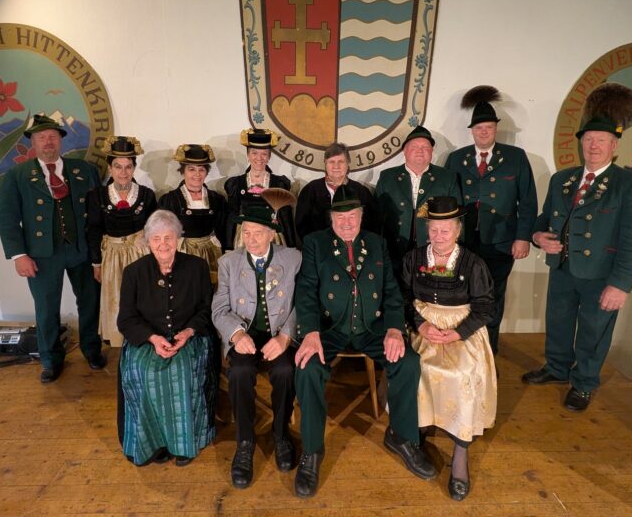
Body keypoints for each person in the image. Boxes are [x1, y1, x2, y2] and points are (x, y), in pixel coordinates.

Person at [292, 184, 434, 498]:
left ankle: (402, 436)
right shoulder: (315, 243)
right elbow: (306, 291)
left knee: (408, 362)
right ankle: (312, 451)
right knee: (307, 369)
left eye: (352, 216)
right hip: (329, 329)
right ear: (331, 217)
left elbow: (392, 291)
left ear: (361, 215)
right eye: (340, 217)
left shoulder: (376, 242)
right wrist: (310, 332)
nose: (347, 223)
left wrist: (394, 329)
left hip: (372, 328)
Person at [523, 83, 632, 412]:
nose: (594, 146)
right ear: (581, 142)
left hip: (601, 275)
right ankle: (556, 368)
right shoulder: (562, 179)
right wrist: (538, 237)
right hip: (562, 268)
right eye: (589, 139)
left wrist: (621, 285)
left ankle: (583, 383)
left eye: (601, 140)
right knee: (558, 322)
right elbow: (544, 219)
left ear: (614, 145)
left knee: (593, 332)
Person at [401, 196, 497, 501]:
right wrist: (420, 324)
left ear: (458, 230)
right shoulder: (413, 259)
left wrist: (458, 333)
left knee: (462, 374)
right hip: (423, 325)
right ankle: (417, 427)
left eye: (445, 230)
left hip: (461, 328)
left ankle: (460, 452)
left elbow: (486, 307)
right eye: (434, 230)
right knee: (415, 367)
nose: (439, 236)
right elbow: (402, 298)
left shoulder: (473, 264)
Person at [0, 114, 104, 383]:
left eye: (53, 137)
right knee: (46, 309)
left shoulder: (84, 170)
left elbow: (98, 213)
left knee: (90, 303)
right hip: (41, 254)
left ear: (61, 141)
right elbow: (8, 218)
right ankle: (50, 360)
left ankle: (92, 350)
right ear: (33, 142)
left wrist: (99, 253)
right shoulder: (17, 175)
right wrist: (19, 255)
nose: (48, 142)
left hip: (82, 250)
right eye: (42, 137)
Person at [212, 205, 302, 488]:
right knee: (239, 373)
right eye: (246, 232)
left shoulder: (293, 258)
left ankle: (281, 434)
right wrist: (237, 334)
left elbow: (304, 303)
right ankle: (245, 441)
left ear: (272, 234)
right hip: (245, 335)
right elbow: (219, 308)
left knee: (286, 370)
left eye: (258, 233)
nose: (251, 239)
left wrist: (285, 336)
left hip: (279, 334)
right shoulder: (229, 262)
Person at [117, 209, 216, 466]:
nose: (163, 244)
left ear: (178, 239)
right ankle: (155, 443)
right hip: (148, 339)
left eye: (168, 238)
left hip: (189, 337)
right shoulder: (133, 272)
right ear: (148, 242)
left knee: (181, 370)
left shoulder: (197, 267)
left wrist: (188, 332)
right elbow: (126, 320)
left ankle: (185, 443)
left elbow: (206, 310)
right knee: (146, 371)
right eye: (157, 238)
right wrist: (152, 338)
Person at [444, 86, 537, 355]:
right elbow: (448, 201)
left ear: (496, 129)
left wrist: (522, 237)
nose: (484, 132)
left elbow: (528, 201)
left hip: (500, 242)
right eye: (479, 128)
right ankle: (464, 352)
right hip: (464, 242)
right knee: (462, 295)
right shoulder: (457, 159)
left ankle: (488, 354)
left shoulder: (515, 158)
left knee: (492, 298)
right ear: (471, 131)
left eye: (489, 127)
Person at [86, 136, 157, 348]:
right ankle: (120, 342)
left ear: (134, 168)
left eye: (128, 166)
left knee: (142, 298)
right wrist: (96, 263)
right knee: (116, 299)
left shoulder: (147, 195)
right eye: (118, 166)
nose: (123, 172)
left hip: (140, 253)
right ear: (110, 168)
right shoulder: (97, 196)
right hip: (112, 255)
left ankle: (144, 341)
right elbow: (93, 230)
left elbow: (154, 227)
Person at [375, 126, 461, 277]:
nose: (420, 151)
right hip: (394, 250)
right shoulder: (387, 177)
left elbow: (457, 217)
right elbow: (377, 217)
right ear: (404, 151)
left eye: (425, 147)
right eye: (414, 147)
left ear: (432, 151)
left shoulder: (447, 178)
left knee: (429, 288)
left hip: (434, 250)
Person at [159, 144, 227, 286]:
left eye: (201, 169)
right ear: (182, 172)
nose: (197, 174)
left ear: (206, 172)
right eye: (191, 169)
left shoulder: (216, 199)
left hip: (210, 252)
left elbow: (222, 229)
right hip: (182, 252)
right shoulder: (170, 200)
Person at [224, 128, 297, 248]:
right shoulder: (236, 184)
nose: (259, 158)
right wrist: (228, 247)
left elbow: (286, 217)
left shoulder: (279, 183)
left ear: (269, 157)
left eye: (264, 154)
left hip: (271, 237)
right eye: (254, 153)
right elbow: (232, 216)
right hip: (245, 238)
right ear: (248, 155)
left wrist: (291, 246)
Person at [295, 142, 378, 243]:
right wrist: (315, 246)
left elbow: (372, 226)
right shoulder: (310, 190)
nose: (336, 166)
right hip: (319, 247)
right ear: (325, 164)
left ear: (348, 164)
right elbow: (301, 226)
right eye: (331, 162)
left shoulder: (361, 192)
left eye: (341, 162)